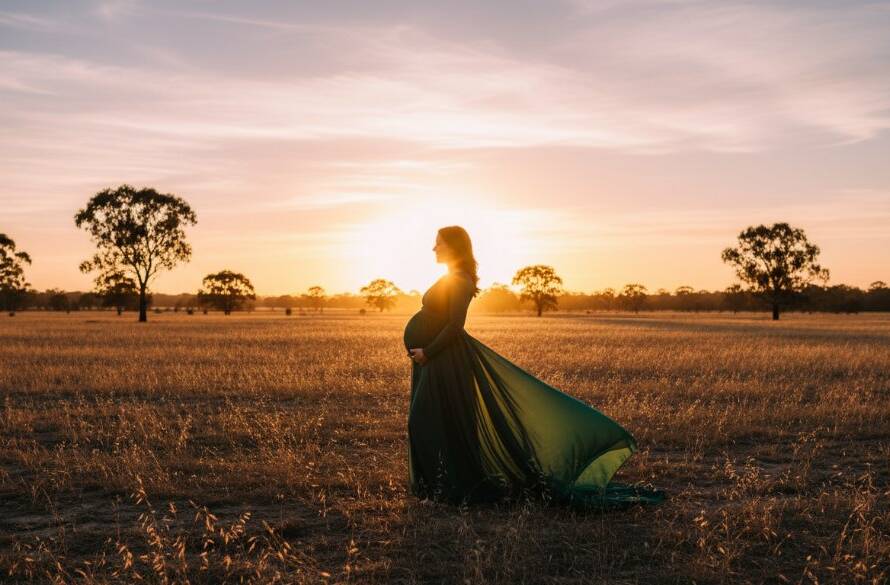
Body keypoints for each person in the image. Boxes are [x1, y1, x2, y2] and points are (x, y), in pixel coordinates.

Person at [403, 225, 666, 509]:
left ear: (454, 246)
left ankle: (447, 492)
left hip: (444, 361)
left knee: (427, 421)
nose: (434, 248)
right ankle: (439, 491)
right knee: (435, 422)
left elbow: (456, 325)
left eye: (438, 243)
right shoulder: (450, 277)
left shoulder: (460, 280)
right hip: (434, 360)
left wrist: (429, 352)